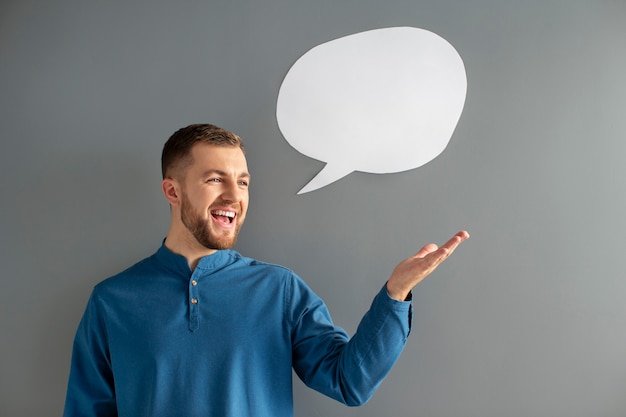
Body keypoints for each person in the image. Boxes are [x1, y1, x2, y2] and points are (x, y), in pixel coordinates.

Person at [63, 123, 469, 417]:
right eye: (215, 179)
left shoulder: (280, 291)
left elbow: (350, 382)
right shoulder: (112, 301)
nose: (233, 196)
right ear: (173, 190)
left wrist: (395, 295)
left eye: (242, 182)